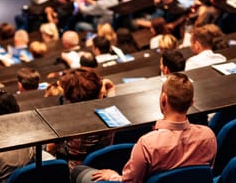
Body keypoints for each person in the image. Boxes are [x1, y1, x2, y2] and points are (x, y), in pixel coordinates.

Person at [73, 73, 217, 182]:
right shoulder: (208, 136)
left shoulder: (147, 144)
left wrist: (113, 176)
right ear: (192, 102)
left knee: (78, 171)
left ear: (163, 99)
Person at [47, 68, 115, 170]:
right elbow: (110, 85)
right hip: (105, 161)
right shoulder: (110, 109)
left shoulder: (67, 121)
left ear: (69, 96)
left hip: (77, 170)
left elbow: (50, 148)